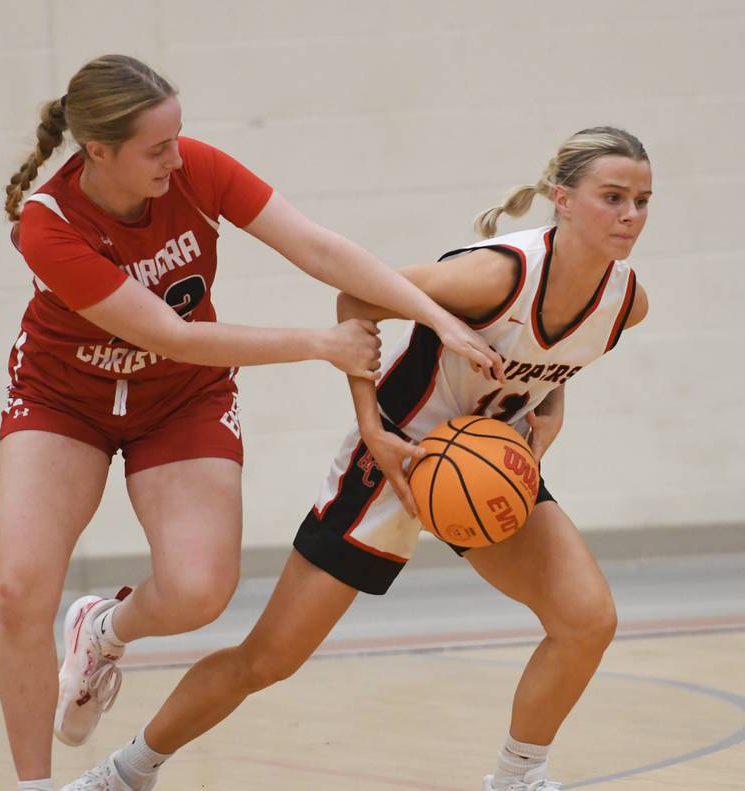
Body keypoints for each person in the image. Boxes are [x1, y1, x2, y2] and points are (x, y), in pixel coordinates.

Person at [60, 125, 651, 791]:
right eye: (613, 196)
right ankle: (125, 772)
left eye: (641, 200)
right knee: (268, 658)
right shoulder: (498, 274)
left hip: (485, 470)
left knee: (587, 620)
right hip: (391, 462)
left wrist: (548, 417)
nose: (630, 215)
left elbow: (554, 368)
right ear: (562, 199)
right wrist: (371, 426)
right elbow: (356, 298)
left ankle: (517, 777)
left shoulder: (626, 303)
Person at [0, 54, 503, 791]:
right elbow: (171, 334)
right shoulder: (50, 226)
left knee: (201, 591)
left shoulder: (194, 170)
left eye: (178, 138)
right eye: (156, 147)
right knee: (18, 591)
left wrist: (435, 317)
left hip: (182, 400)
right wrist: (319, 345)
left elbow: (320, 249)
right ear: (97, 151)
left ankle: (101, 630)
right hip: (62, 399)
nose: (177, 156)